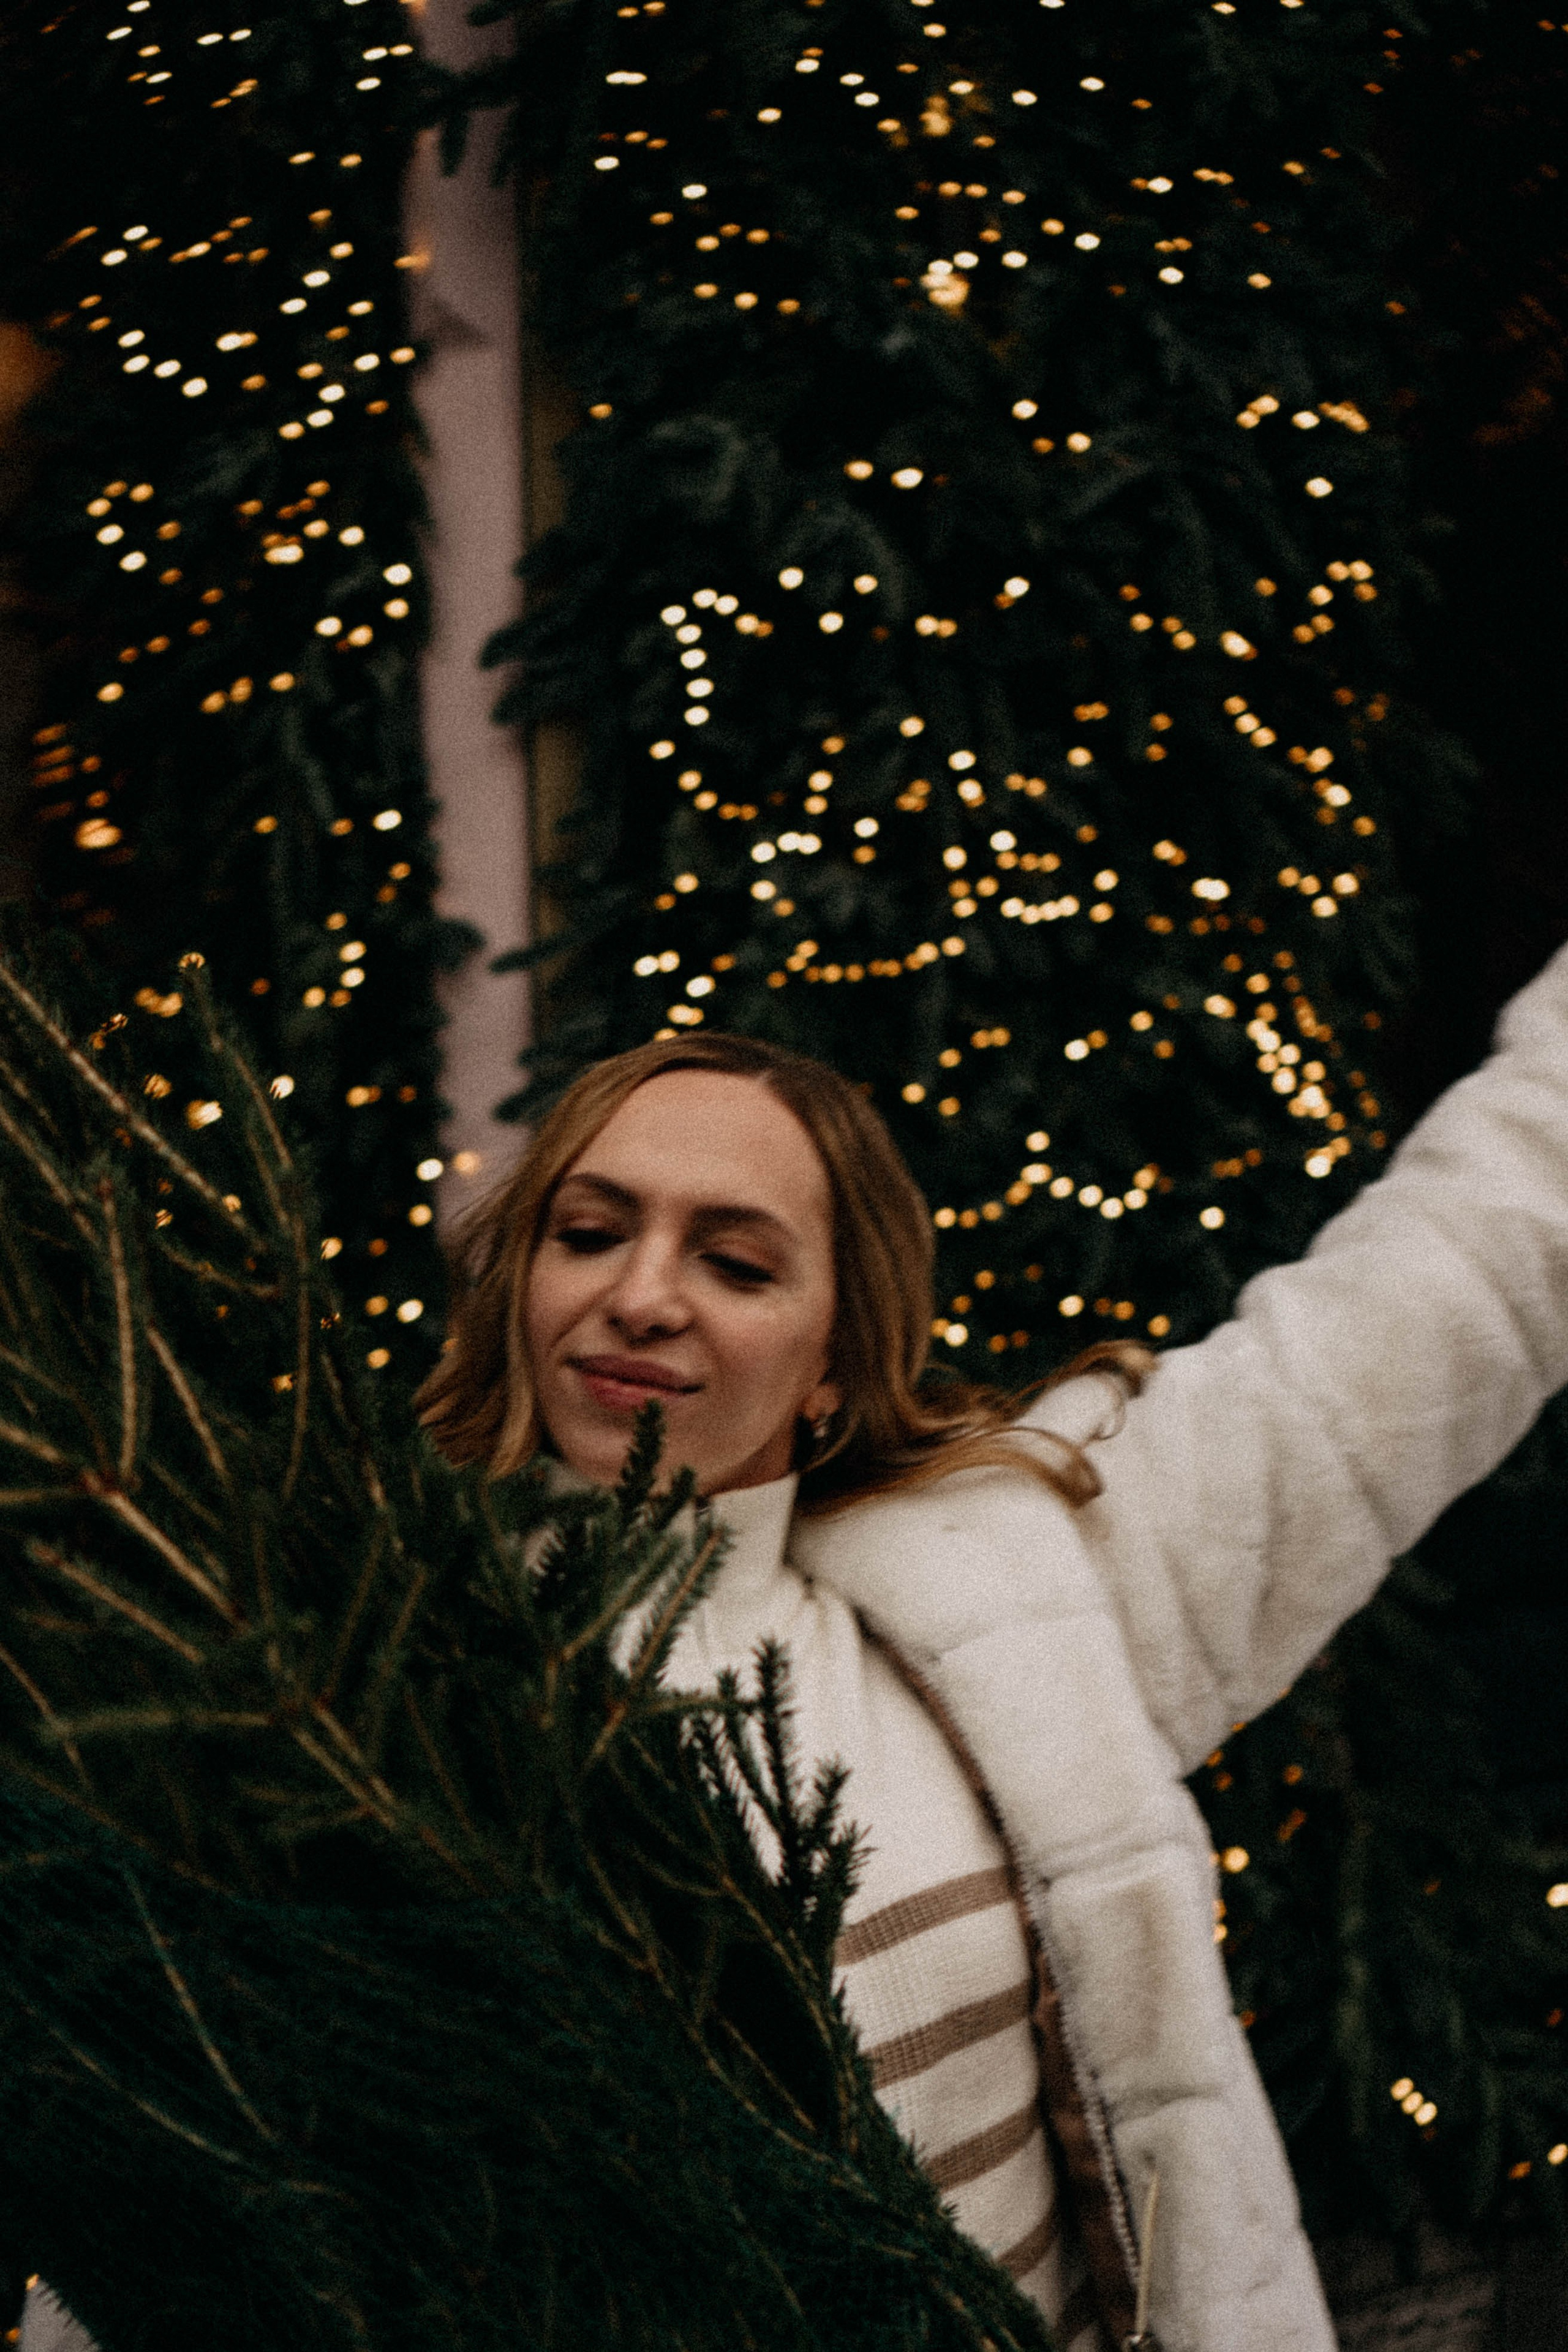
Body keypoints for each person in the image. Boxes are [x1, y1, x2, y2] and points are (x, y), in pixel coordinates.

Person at [417, 944, 1568, 2352]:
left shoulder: (1020, 1590)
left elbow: (1458, 1276)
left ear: (834, 1356)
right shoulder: (368, 1665)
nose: (641, 1296)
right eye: (588, 1232)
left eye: (732, 1260)